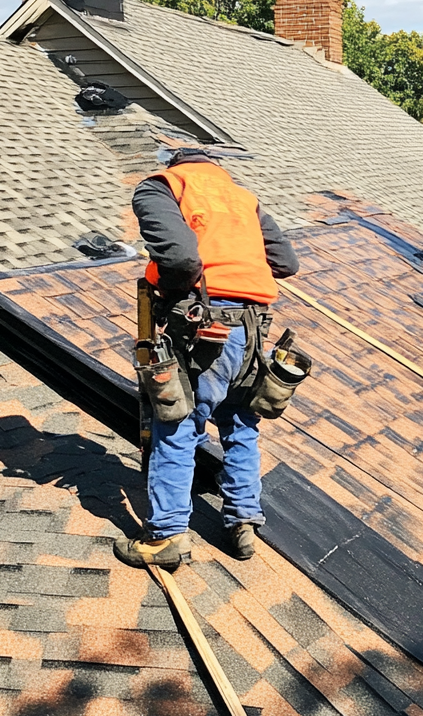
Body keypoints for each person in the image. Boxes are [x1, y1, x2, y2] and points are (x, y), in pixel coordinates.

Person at [114, 145, 299, 570]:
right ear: (214, 168)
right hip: (253, 332)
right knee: (240, 422)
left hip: (206, 329)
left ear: (175, 164)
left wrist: (166, 284)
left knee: (177, 424)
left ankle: (167, 535)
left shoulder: (163, 186)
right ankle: (243, 520)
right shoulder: (242, 197)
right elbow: (285, 263)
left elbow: (180, 260)